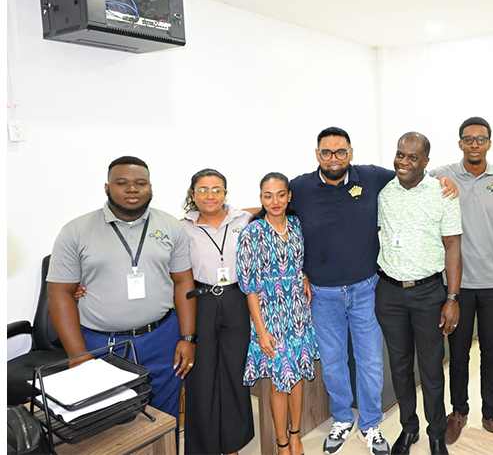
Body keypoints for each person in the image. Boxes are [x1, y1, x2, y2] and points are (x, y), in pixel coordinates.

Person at [290, 127, 457, 455]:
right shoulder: (301, 188)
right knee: (335, 361)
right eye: (327, 152)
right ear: (317, 154)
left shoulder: (371, 177)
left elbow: (411, 171)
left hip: (367, 288)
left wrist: (442, 177)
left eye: (341, 152)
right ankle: (341, 418)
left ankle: (370, 423)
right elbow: (273, 205)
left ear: (351, 153)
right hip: (324, 294)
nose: (334, 158)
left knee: (369, 362)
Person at [47, 156, 196, 419]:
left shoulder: (170, 226)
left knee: (165, 414)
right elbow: (59, 293)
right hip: (102, 342)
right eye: (122, 183)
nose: (132, 189)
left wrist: (187, 338)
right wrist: (79, 355)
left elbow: (183, 281)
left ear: (150, 188)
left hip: (162, 337)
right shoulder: (75, 231)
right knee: (113, 422)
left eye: (140, 183)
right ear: (107, 188)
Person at [375, 132, 463, 455]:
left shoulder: (443, 193)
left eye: (413, 157)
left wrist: (452, 298)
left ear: (427, 161)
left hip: (428, 293)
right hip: (390, 292)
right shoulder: (384, 194)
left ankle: (436, 434)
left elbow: (453, 245)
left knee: (430, 368)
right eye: (400, 154)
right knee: (399, 366)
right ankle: (408, 429)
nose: (404, 162)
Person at [430, 117, 493, 444]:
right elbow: (411, 182)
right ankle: (458, 411)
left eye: (481, 139)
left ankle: (491, 413)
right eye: (469, 139)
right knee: (459, 352)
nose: (475, 144)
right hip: (457, 284)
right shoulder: (441, 174)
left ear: (490, 143)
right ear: (460, 143)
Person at [237, 173, 319, 455]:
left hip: (298, 312)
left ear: (289, 196)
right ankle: (281, 441)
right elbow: (248, 287)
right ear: (261, 198)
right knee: (279, 381)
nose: (275, 201)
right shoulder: (252, 232)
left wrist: (304, 276)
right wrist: (260, 332)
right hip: (269, 315)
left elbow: (298, 263)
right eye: (268, 196)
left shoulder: (296, 225)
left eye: (281, 194)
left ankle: (295, 434)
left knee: (295, 377)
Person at [181, 169, 255, 455]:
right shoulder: (182, 227)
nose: (210, 195)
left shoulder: (244, 220)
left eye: (216, 189)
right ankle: (205, 447)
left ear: (226, 193)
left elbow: (275, 209)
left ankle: (233, 444)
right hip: (201, 301)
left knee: (235, 374)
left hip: (237, 299)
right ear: (192, 194)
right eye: (202, 189)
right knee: (201, 376)